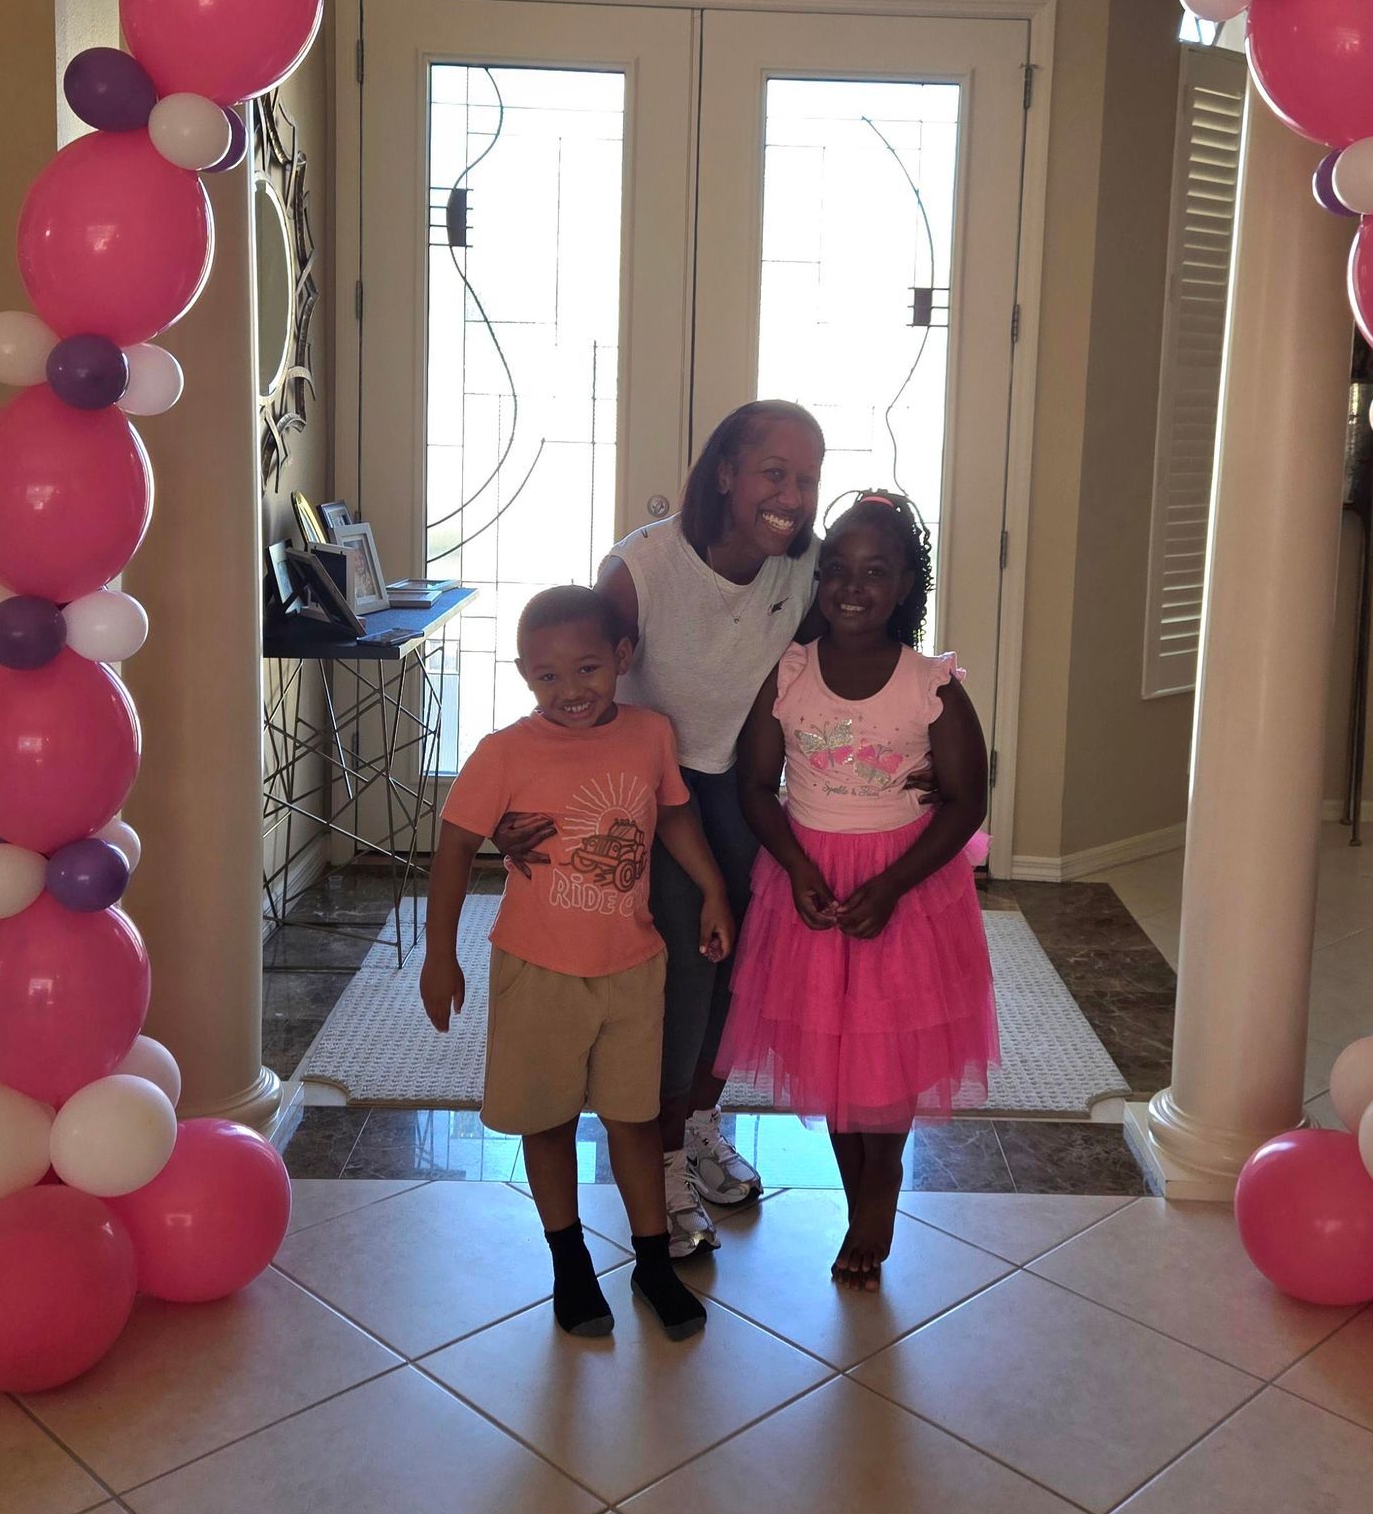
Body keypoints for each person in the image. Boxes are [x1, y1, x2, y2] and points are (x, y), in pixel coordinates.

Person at [419, 584, 736, 1341]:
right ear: (525, 672)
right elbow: (456, 846)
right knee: (548, 1119)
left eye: (588, 669)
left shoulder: (650, 734)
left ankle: (652, 1261)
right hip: (538, 969)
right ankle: (569, 1263)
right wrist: (439, 954)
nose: (570, 691)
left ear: (622, 659)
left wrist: (715, 888)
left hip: (634, 965)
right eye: (547, 676)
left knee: (634, 1117)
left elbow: (675, 815)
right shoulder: (505, 752)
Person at [717, 492, 997, 1289]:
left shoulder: (930, 682)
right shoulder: (791, 673)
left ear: (907, 582)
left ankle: (887, 1180)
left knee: (892, 1047)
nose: (851, 585)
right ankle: (859, 1194)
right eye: (836, 567)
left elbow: (966, 798)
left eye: (875, 571)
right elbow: (754, 784)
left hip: (904, 890)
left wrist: (894, 884)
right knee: (833, 1051)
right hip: (809, 884)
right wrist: (798, 867)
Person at [593, 400, 825, 1256]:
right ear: (724, 472)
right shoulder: (640, 569)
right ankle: (654, 1164)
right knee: (686, 977)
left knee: (746, 963)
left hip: (743, 782)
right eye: (774, 472)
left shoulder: (800, 570)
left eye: (806, 479)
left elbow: (843, 653)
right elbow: (579, 697)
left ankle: (699, 1124)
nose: (791, 495)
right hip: (648, 789)